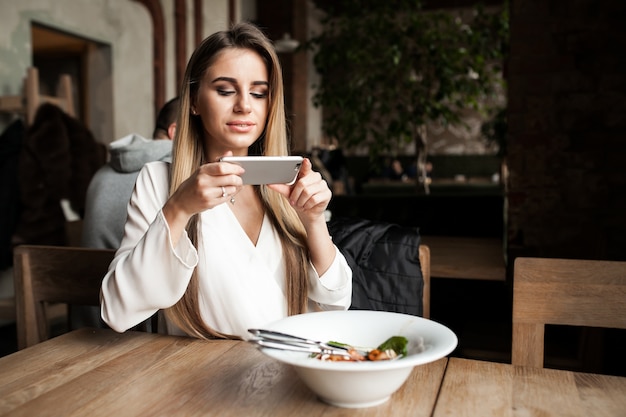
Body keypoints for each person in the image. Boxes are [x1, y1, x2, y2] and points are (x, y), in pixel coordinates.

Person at [100, 22, 352, 340]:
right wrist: (179, 207)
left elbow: (336, 303)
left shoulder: (284, 184)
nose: (245, 105)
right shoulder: (159, 182)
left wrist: (314, 221)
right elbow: (117, 310)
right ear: (193, 100)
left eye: (258, 93)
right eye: (225, 90)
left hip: (290, 375)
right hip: (195, 382)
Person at [81, 97, 179, 250]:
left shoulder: (102, 172)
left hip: (86, 271)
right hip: (134, 271)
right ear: (174, 131)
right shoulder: (173, 169)